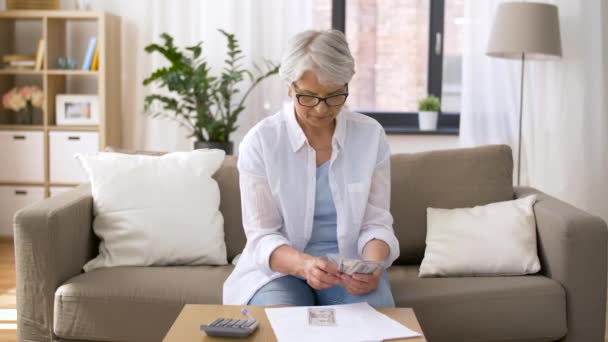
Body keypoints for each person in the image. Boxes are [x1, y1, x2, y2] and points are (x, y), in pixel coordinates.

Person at [223, 29, 399, 307]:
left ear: (347, 84)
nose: (321, 110)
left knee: (375, 323)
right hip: (279, 269)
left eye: (334, 96)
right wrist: (305, 265)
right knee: (278, 324)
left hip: (349, 269)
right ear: (290, 86)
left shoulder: (370, 135)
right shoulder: (261, 142)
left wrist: (372, 266)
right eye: (308, 96)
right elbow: (262, 235)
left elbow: (375, 222)